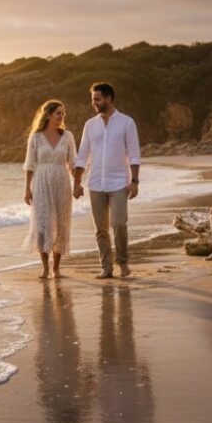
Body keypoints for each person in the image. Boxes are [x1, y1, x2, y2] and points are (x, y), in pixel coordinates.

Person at [73, 83, 141, 279]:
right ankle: (106, 268)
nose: (94, 103)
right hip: (95, 183)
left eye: (98, 99)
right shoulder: (90, 125)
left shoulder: (127, 123)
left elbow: (134, 154)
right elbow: (82, 155)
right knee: (100, 230)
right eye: (93, 99)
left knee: (119, 224)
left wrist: (135, 181)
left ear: (109, 98)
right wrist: (77, 183)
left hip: (119, 182)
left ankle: (123, 262)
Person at [23, 99, 77, 279]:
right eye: (58, 113)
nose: (62, 116)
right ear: (48, 115)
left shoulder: (67, 136)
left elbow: (73, 162)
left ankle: (56, 268)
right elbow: (30, 164)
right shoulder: (36, 136)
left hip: (62, 182)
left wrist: (78, 182)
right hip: (41, 183)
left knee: (61, 224)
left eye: (63, 113)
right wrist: (27, 190)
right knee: (42, 224)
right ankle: (45, 267)